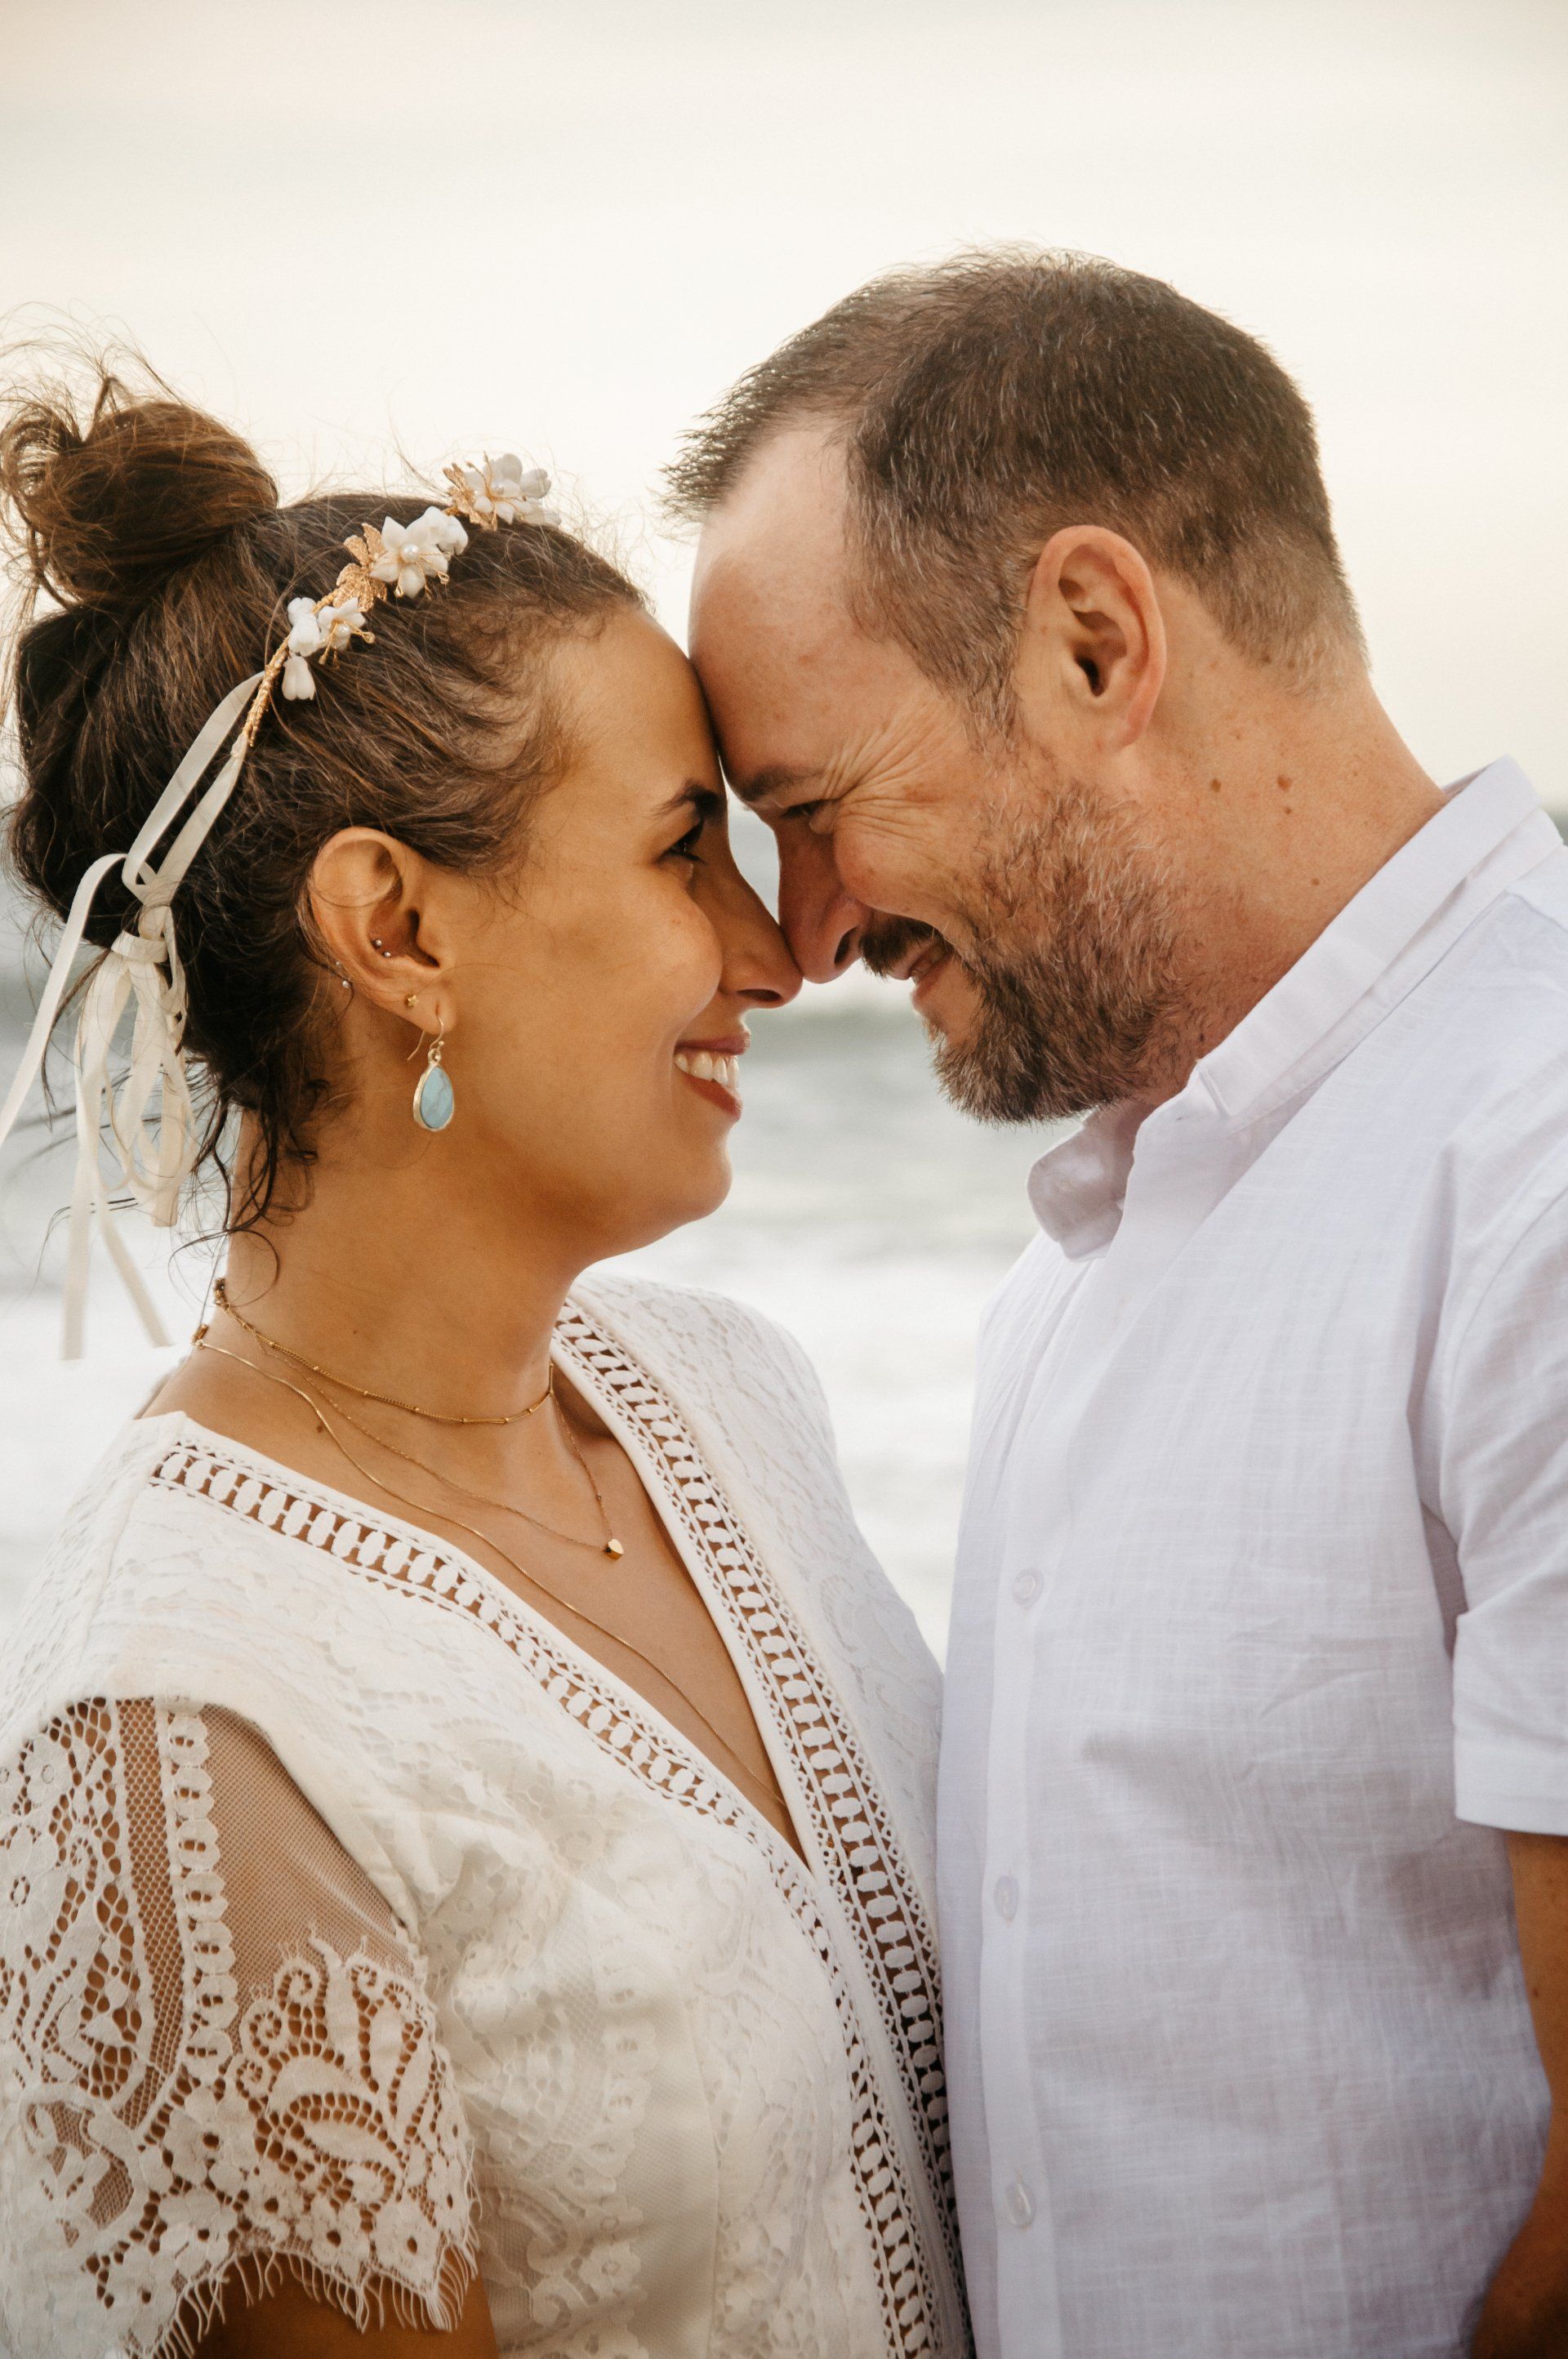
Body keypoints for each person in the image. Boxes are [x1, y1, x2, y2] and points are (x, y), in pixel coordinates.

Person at [0, 362, 969, 2359]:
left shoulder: (735, 1398)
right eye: (684, 846)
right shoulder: (187, 1725)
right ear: (397, 927)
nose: (781, 953)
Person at [671, 247, 1568, 2359]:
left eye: (813, 811)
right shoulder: (1090, 1254)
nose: (802, 942)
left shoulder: (1531, 1162)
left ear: (1093, 641)